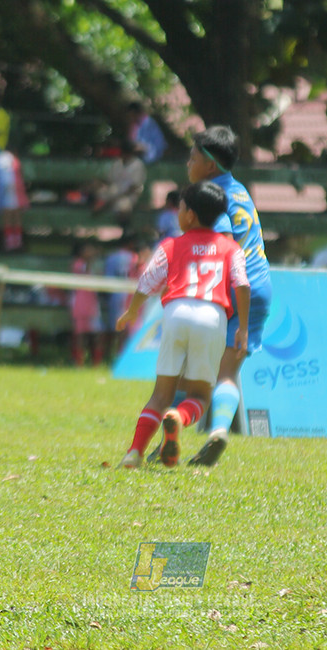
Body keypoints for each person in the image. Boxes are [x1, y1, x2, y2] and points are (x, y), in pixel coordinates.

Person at [116, 181, 250, 469]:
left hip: (175, 312)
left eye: (180, 207)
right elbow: (242, 284)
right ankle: (178, 418)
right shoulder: (230, 247)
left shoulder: (171, 244)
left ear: (189, 215)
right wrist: (244, 327)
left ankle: (134, 453)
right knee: (200, 394)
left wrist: (132, 312)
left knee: (161, 393)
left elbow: (147, 282)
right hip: (212, 315)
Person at [182, 125, 272, 466]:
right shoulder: (240, 190)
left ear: (209, 165)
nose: (187, 164)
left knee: (190, 368)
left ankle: (170, 433)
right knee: (229, 372)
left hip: (227, 285)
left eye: (191, 158)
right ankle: (218, 430)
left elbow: (220, 245)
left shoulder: (210, 197)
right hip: (259, 286)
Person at [84, 139, 146, 228]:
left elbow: (133, 188)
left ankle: (126, 233)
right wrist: (96, 183)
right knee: (95, 194)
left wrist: (109, 202)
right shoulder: (117, 163)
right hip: (113, 191)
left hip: (129, 196)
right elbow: (109, 180)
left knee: (123, 209)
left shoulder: (137, 165)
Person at [101, 234, 141, 361]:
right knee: (129, 327)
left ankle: (113, 355)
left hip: (115, 294)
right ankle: (126, 356)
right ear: (130, 244)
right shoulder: (134, 258)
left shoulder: (111, 257)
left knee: (116, 328)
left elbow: (107, 277)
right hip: (129, 294)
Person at [69, 241, 102, 366]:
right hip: (80, 302)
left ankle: (96, 362)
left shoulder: (94, 266)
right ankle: (79, 362)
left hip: (92, 302)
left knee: (96, 333)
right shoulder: (78, 264)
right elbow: (84, 270)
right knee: (80, 334)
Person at [0, 148, 30, 251]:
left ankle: (10, 243)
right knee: (16, 218)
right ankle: (17, 242)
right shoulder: (15, 161)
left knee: (7, 219)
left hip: (6, 192)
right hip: (17, 192)